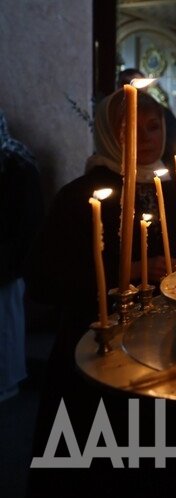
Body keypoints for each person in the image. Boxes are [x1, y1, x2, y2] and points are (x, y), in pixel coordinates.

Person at [24, 89, 176, 496]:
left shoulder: (175, 185)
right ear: (109, 135)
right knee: (105, 469)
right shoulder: (81, 196)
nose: (148, 137)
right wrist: (125, 271)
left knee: (170, 459)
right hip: (97, 346)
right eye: (131, 129)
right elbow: (43, 280)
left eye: (155, 126)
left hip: (169, 342)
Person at [0, 109, 43, 402]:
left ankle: (8, 381)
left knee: (6, 323)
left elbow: (28, 218)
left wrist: (18, 262)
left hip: (7, 261)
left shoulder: (16, 161)